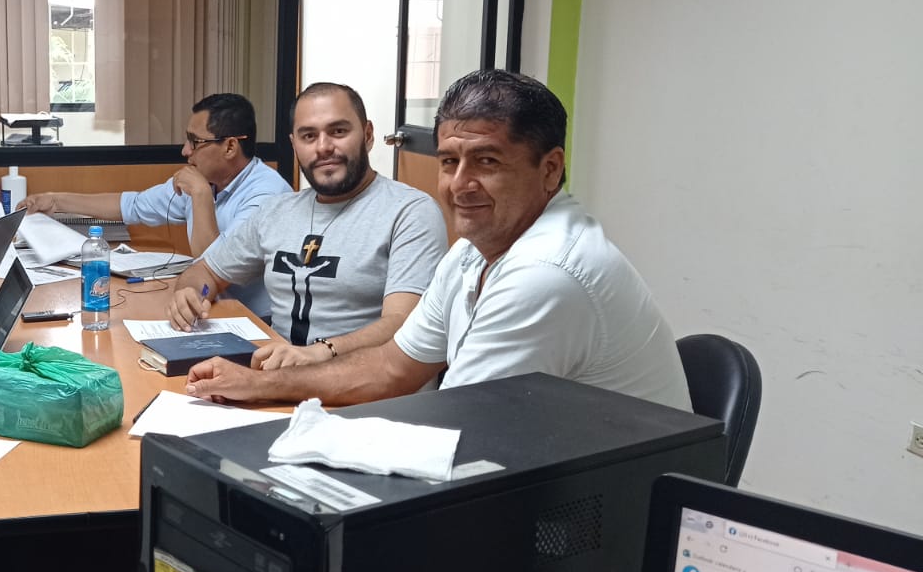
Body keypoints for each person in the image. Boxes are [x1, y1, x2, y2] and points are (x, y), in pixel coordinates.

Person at [185, 69, 693, 411]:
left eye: (487, 161)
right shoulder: (473, 252)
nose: (460, 184)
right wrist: (260, 384)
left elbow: (457, 427)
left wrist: (286, 390)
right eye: (449, 161)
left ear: (550, 168)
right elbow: (393, 367)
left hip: (602, 518)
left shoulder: (544, 273)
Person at [168, 83, 447, 367]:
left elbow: (403, 322)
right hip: (277, 374)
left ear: (367, 135)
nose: (323, 147)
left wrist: (322, 351)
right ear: (294, 145)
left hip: (360, 382)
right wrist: (193, 294)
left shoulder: (410, 212)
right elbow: (206, 272)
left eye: (338, 131)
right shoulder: (276, 211)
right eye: (309, 136)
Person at [20, 93, 291, 316]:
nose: (185, 151)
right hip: (208, 306)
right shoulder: (208, 180)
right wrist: (56, 200)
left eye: (195, 142)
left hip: (254, 321)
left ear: (230, 147)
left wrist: (200, 196)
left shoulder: (266, 197)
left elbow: (214, 266)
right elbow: (132, 205)